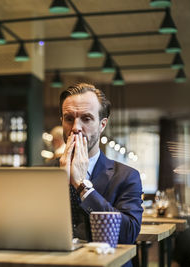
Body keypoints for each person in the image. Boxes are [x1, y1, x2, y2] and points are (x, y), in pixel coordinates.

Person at [59, 83, 143, 251]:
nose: (75, 128)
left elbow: (128, 235)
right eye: (69, 118)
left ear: (102, 125)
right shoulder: (41, 174)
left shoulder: (127, 176)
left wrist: (82, 185)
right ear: (62, 121)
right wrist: (58, 182)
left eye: (86, 118)